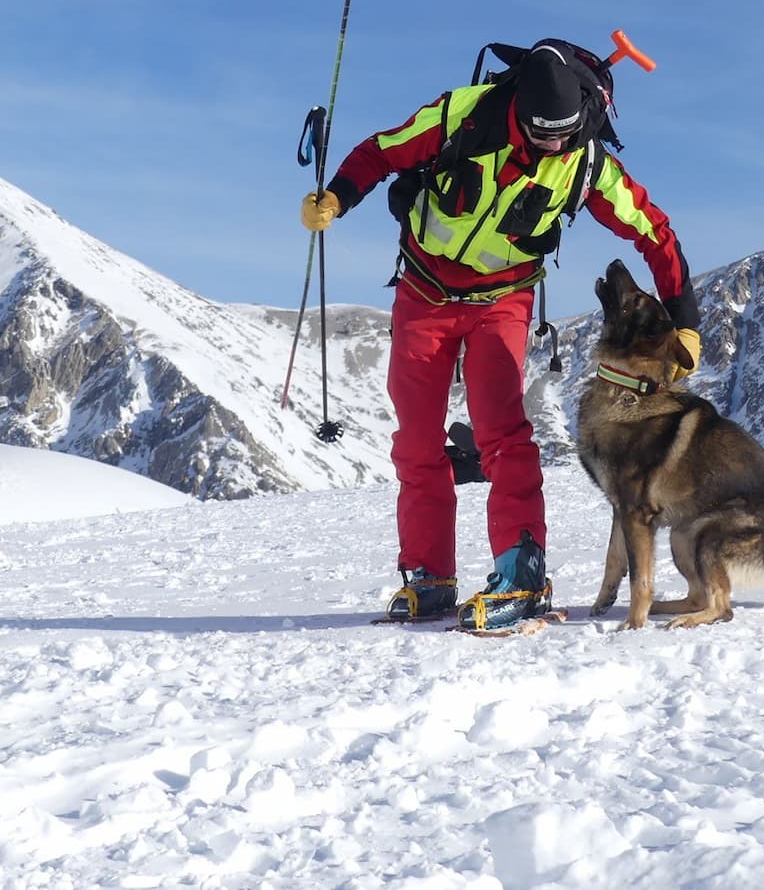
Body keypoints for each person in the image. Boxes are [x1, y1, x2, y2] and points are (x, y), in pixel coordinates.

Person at [299, 41, 701, 630]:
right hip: (425, 290)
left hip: (502, 302)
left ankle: (522, 574)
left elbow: (654, 232)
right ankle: (428, 576)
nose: (552, 148)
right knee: (416, 438)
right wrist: (337, 196)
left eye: (564, 136)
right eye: (542, 136)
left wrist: (683, 320)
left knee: (502, 433)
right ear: (518, 109)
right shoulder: (464, 113)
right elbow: (380, 152)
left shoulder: (586, 160)